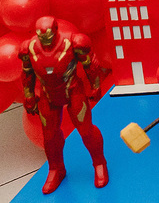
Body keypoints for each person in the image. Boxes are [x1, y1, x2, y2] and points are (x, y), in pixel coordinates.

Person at [20, 17, 108, 194]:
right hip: (47, 94)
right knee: (49, 135)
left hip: (73, 90)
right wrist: (28, 95)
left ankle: (99, 163)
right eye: (41, 37)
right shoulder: (29, 48)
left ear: (55, 30)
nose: (45, 40)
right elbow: (27, 73)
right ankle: (56, 169)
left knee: (86, 130)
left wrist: (96, 85)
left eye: (48, 36)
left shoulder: (74, 42)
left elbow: (90, 64)